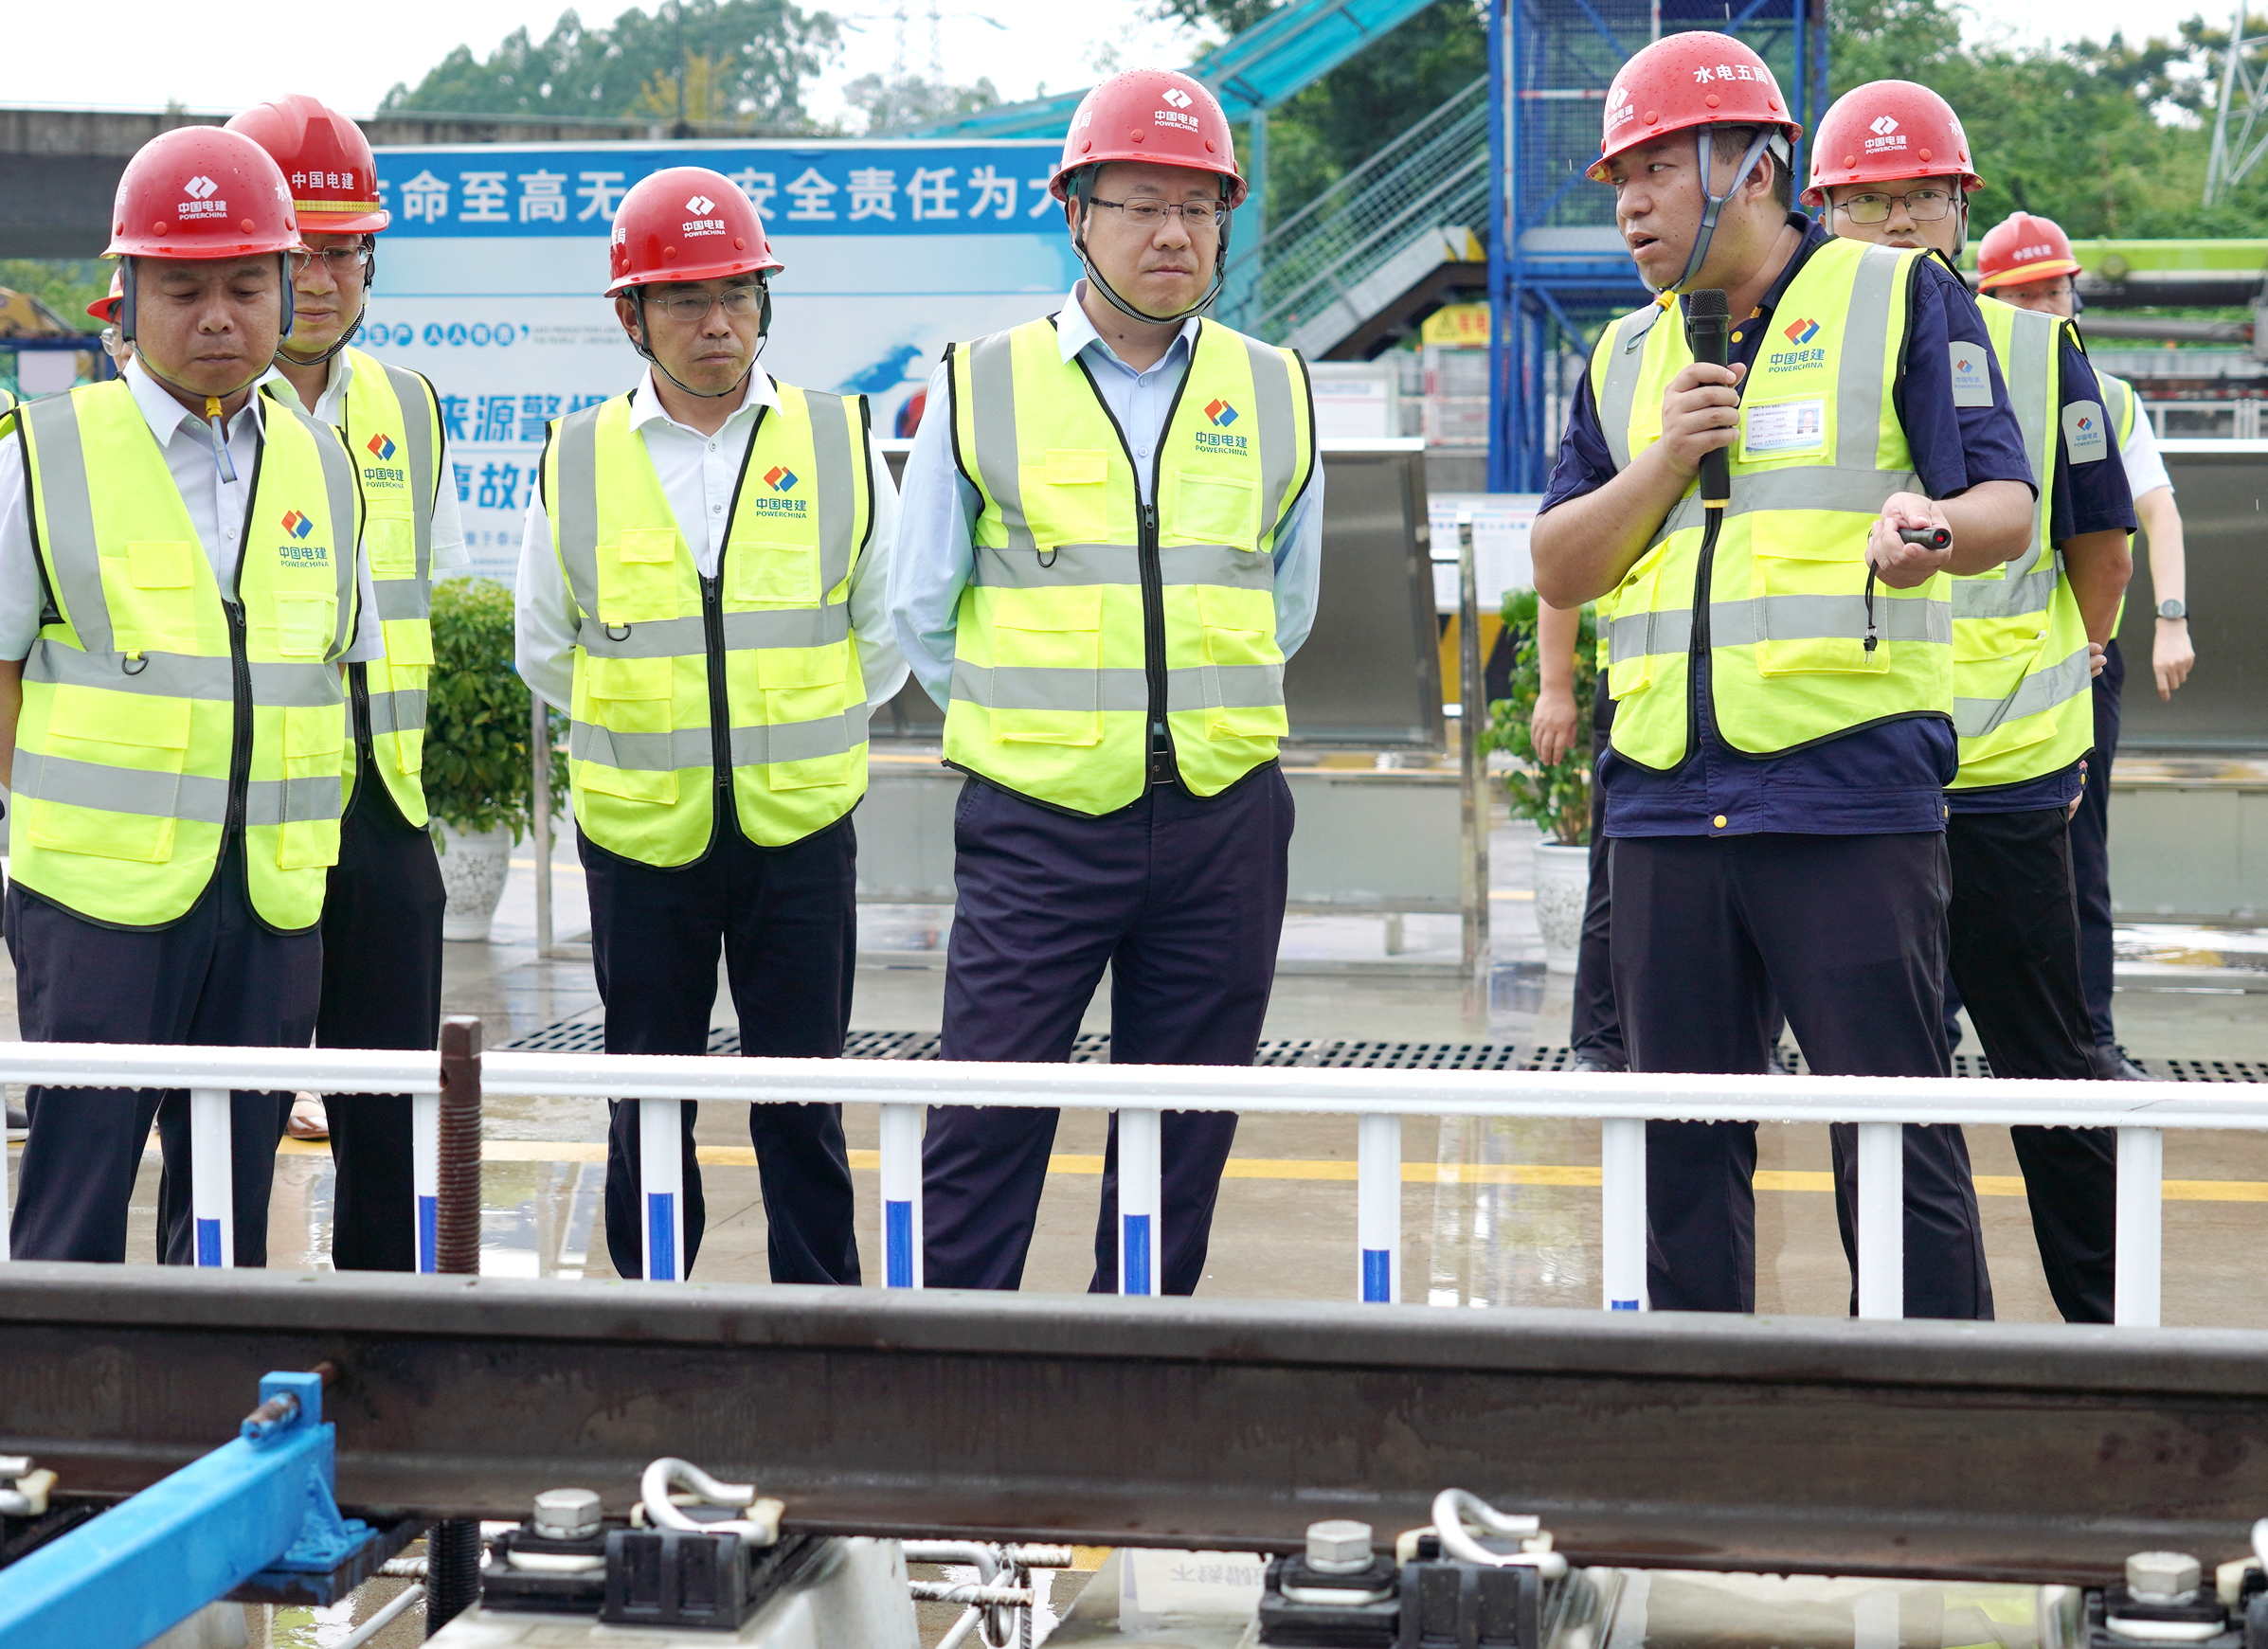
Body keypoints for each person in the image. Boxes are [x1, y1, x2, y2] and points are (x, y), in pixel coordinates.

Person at [1531, 31, 2039, 1318]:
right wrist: (1662, 461)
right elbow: (1559, 563)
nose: (1630, 205)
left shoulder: (1897, 296)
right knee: (1680, 1151)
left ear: (1752, 168)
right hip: (1661, 802)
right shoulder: (1622, 355)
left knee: (1891, 1136)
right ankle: (1701, 1424)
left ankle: (1935, 1412)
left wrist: (1931, 532)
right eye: (1620, 180)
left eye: (1656, 170)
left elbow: (2005, 505)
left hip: (1845, 791)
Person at [891, 68, 1321, 1296]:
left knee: (1179, 1139)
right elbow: (923, 609)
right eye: (1140, 203)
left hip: (1223, 818)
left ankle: (1136, 1367)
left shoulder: (1272, 385)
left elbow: (1283, 602)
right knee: (987, 1120)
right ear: (1075, 213)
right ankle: (959, 1372)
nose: (1173, 233)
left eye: (1198, 205)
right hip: (1037, 822)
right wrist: (1048, 729)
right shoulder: (983, 382)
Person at [515, 166, 904, 1283]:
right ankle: (650, 1323)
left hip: (801, 834)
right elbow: (547, 646)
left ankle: (818, 1323)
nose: (719, 322)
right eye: (687, 299)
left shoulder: (836, 440)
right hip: (643, 840)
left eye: (738, 293)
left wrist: (793, 733)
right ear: (631, 316)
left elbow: (880, 638)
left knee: (804, 1100)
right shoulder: (577, 455)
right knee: (646, 1100)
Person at [0, 124, 375, 1265]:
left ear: (286, 290)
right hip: (97, 905)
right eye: (184, 289)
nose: (219, 317)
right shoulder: (41, 455)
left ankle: (216, 1384)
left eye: (246, 287)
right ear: (126, 293)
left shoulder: (323, 464)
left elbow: (331, 667)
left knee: (227, 1207)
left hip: (268, 901)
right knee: (76, 1196)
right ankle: (58, 1387)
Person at [1809, 90, 2136, 1323]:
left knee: (2045, 1067)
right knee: (1883, 1088)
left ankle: (2105, 1331)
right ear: (1823, 213)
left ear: (1960, 207)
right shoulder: (1792, 351)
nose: (1898, 222)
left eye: (1921, 198)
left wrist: (2082, 661)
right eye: (1869, 202)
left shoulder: (2037, 353)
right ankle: (1908, 1335)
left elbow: (2098, 543)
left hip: (2002, 783)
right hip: (1859, 780)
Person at [226, 93, 469, 1269]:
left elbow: (426, 599)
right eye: (298, 252)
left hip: (384, 809)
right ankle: (218, 1348)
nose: (320, 279)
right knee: (232, 1124)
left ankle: (385, 1347)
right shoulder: (201, 409)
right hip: (249, 816)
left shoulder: (408, 407)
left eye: (344, 251)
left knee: (393, 1123)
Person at [1978, 210, 2192, 1082]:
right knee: (1930, 859)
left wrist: (2167, 618)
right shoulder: (1949, 387)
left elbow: (2151, 516)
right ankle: (1941, 1038)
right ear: (1986, 299)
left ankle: (2090, 1041)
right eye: (2021, 293)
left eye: (2053, 290)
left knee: (2077, 855)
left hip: (2078, 664)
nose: (2041, 307)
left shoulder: (2106, 397)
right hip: (1961, 668)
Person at [1530, 600, 1624, 1071]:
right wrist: (1554, 687)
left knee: (1764, 866)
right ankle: (1600, 1047)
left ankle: (1761, 1044)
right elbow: (1559, 575)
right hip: (1637, 683)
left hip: (1761, 687)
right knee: (1615, 874)